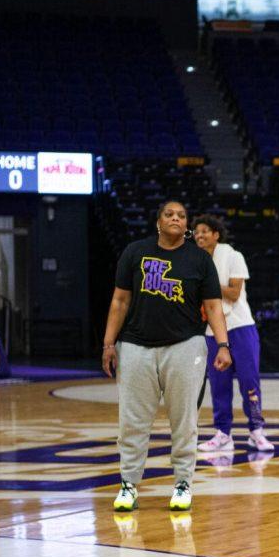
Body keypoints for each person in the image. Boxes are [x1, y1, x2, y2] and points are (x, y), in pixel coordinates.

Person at [102, 200, 233, 513]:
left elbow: (214, 305)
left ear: (186, 225)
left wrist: (223, 344)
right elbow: (120, 301)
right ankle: (128, 484)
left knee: (184, 419)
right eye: (169, 214)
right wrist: (109, 344)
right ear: (158, 222)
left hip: (185, 346)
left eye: (181, 215)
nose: (176, 218)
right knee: (132, 420)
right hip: (135, 346)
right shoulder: (135, 252)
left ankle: (183, 483)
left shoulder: (200, 260)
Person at [192, 214, 274, 454]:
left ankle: (256, 430)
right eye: (196, 232)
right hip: (212, 330)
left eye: (205, 231)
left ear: (216, 234)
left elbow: (234, 293)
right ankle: (223, 433)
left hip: (240, 326)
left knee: (249, 380)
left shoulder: (233, 256)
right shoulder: (195, 261)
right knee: (218, 383)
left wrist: (206, 284)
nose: (200, 235)